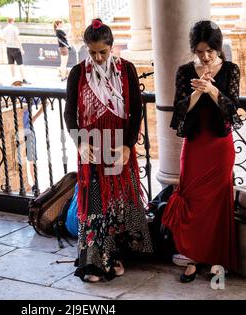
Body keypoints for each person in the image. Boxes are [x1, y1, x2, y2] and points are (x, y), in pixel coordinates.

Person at [64, 18, 153, 282]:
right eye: (92, 52)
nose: (98, 57)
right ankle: (92, 263)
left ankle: (115, 256)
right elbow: (70, 113)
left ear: (112, 47)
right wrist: (80, 142)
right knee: (94, 202)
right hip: (91, 146)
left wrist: (128, 144)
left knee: (118, 201)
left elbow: (136, 110)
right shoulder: (78, 73)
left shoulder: (126, 70)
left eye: (103, 52)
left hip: (117, 144)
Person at [162, 20, 243, 283]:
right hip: (196, 145)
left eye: (210, 51)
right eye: (200, 51)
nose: (206, 56)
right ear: (194, 50)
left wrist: (212, 90)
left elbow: (233, 108)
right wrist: (198, 93)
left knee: (219, 204)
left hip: (220, 147)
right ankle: (192, 257)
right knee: (192, 199)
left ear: (218, 48)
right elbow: (179, 110)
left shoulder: (231, 70)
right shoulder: (185, 72)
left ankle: (217, 258)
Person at [11, 81, 43, 191]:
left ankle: (34, 184)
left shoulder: (26, 96)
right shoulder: (13, 98)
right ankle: (29, 184)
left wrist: (34, 117)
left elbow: (45, 102)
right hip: (19, 132)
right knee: (25, 159)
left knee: (31, 159)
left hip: (27, 130)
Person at [3, 18, 30, 85]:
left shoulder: (4, 29)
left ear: (7, 21)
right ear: (13, 21)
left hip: (8, 48)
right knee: (20, 65)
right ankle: (24, 79)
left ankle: (13, 79)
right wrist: (21, 49)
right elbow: (17, 39)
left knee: (11, 65)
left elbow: (3, 39)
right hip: (15, 48)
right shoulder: (14, 28)